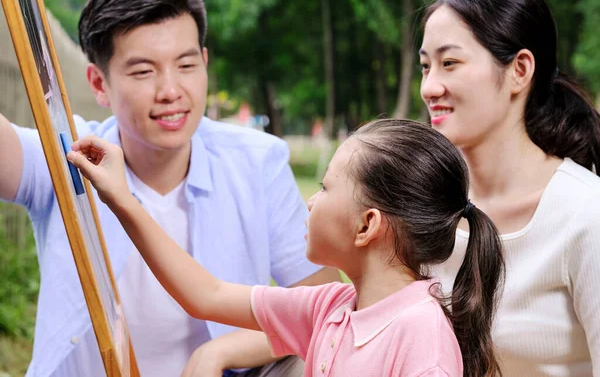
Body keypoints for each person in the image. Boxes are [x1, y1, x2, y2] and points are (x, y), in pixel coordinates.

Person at [0, 0, 340, 377]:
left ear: (205, 61)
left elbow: (329, 308)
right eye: (143, 71)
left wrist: (220, 352)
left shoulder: (256, 161)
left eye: (185, 65)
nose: (170, 91)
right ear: (98, 83)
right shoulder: (68, 156)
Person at [67, 118, 505, 377]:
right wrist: (122, 198)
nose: (311, 201)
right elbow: (208, 296)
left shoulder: (421, 335)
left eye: (326, 187)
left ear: (366, 225)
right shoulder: (330, 308)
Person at [419, 0, 600, 376]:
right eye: (425, 66)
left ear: (519, 70)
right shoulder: (426, 206)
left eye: (450, 63)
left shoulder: (586, 214)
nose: (430, 87)